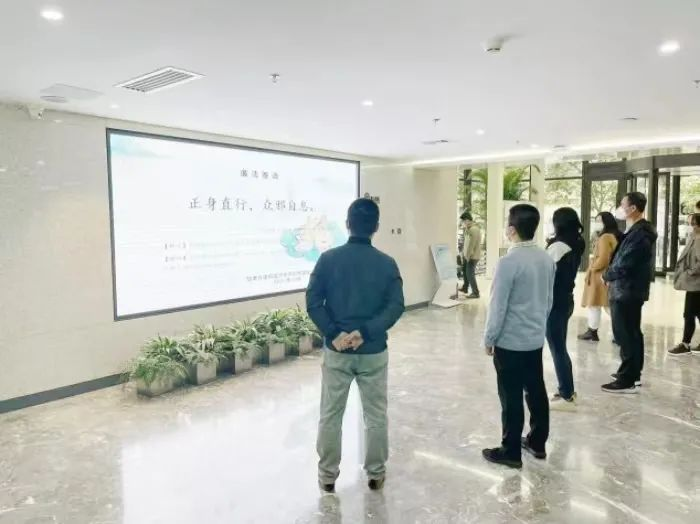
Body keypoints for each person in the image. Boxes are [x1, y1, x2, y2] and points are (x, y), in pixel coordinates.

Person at [306, 198, 405, 493]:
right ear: (376, 227)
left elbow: (313, 301)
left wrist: (334, 333)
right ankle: (376, 473)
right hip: (373, 351)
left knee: (330, 415)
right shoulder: (387, 264)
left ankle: (327, 476)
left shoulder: (328, 259)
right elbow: (395, 306)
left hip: (337, 352)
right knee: (375, 416)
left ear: (348, 224)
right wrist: (365, 332)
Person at [483, 204, 555, 468]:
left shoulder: (508, 262)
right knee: (536, 390)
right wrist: (538, 326)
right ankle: (537, 442)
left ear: (511, 230)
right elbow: (548, 300)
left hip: (510, 341)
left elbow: (497, 306)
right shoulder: (546, 259)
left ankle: (511, 450)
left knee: (511, 395)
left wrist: (489, 338)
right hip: (534, 339)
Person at [601, 192, 657, 393]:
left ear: (633, 208)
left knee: (625, 334)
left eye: (622, 204)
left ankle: (628, 379)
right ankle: (632, 374)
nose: (620, 208)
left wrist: (607, 275)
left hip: (627, 291)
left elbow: (626, 263)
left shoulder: (640, 233)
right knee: (631, 333)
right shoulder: (636, 230)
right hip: (627, 290)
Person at [545, 208, 585, 410]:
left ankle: (567, 395)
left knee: (557, 348)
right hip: (566, 299)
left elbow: (543, 272)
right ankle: (567, 390)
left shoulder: (558, 246)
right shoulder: (576, 242)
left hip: (554, 301)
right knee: (559, 346)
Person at [578, 212, 621, 342]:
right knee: (606, 305)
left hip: (599, 276)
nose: (596, 223)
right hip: (605, 275)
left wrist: (592, 268)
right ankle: (618, 333)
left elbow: (603, 259)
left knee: (597, 304)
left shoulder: (605, 237)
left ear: (606, 222)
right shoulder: (613, 236)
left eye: (599, 221)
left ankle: (594, 332)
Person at [669, 213, 700, 356]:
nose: (691, 226)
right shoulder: (694, 237)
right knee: (694, 313)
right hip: (693, 283)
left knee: (689, 313)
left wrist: (691, 272)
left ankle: (685, 344)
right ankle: (686, 343)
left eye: (693, 224)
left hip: (696, 282)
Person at [460, 211, 482, 298]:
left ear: (467, 220)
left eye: (463, 221)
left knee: (470, 274)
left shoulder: (474, 229)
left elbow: (472, 245)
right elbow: (466, 243)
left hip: (472, 256)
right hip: (467, 255)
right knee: (465, 271)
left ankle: (476, 293)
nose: (463, 223)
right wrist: (463, 254)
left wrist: (468, 256)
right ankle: (465, 288)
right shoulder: (468, 229)